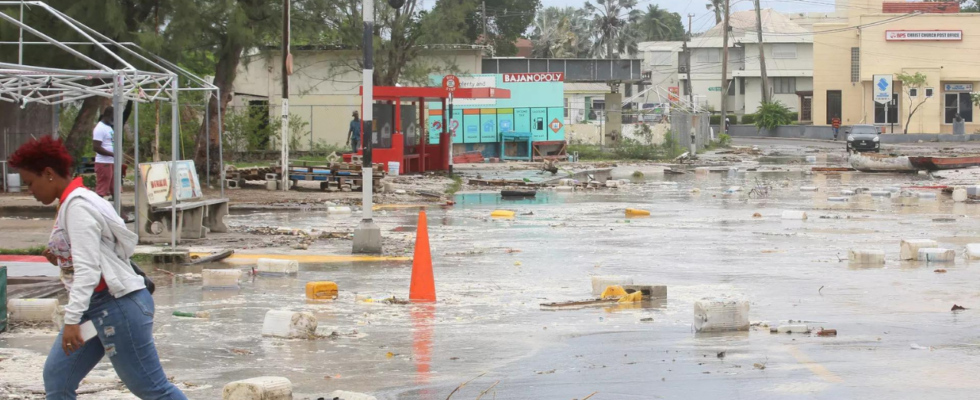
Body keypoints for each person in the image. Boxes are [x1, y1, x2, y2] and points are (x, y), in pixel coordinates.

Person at [8, 136, 187, 400]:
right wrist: (62, 257)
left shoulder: (78, 206)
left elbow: (89, 271)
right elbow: (97, 253)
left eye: (30, 183)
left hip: (116, 307)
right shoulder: (73, 201)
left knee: (152, 389)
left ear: (48, 174)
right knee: (58, 378)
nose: (29, 191)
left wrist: (71, 321)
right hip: (94, 307)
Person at [92, 107, 117, 200]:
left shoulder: (108, 127)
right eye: (113, 117)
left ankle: (120, 212)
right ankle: (97, 210)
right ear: (108, 115)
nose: (114, 120)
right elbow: (96, 147)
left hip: (112, 162)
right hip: (104, 162)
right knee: (102, 190)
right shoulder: (99, 128)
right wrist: (112, 154)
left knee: (115, 188)